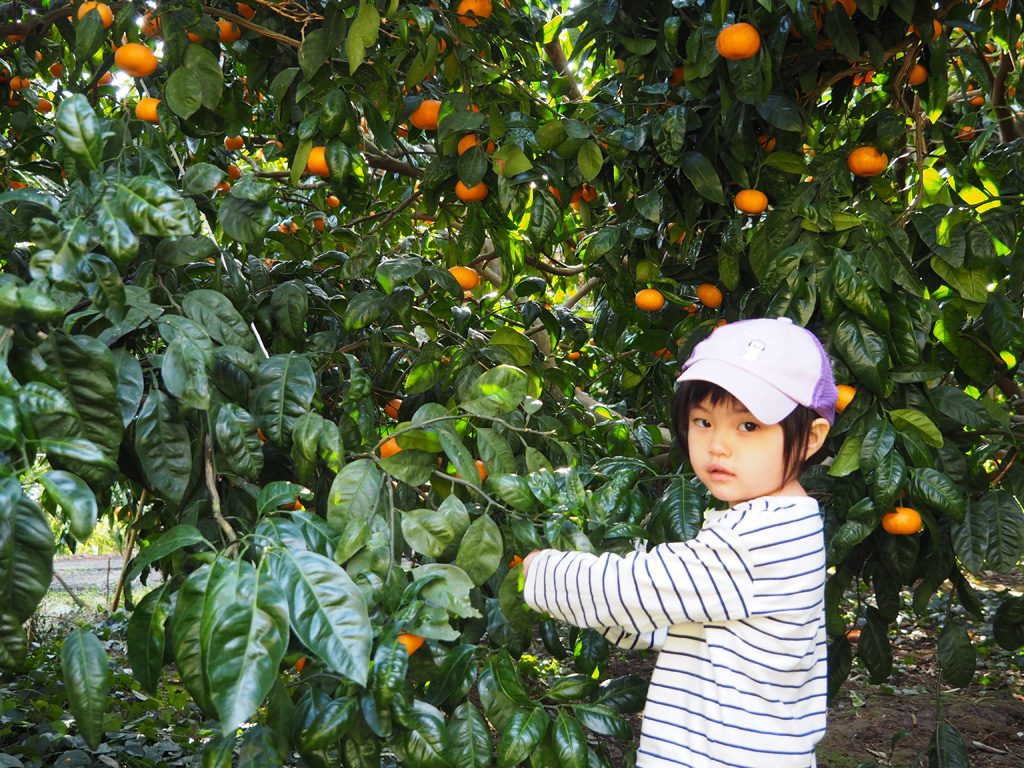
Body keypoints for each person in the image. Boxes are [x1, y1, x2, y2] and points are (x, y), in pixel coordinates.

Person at [521, 317, 838, 768]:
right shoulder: (780, 520)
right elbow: (689, 617)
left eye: (748, 426)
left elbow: (637, 587)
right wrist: (623, 622)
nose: (718, 446)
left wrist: (540, 571)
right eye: (703, 422)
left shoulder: (760, 537)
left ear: (809, 438)